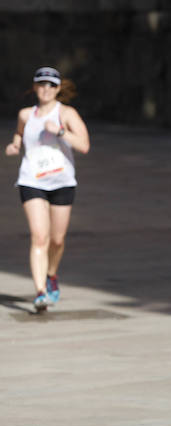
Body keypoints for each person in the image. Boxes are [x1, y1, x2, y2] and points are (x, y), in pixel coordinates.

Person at [5, 67, 90, 311]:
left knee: (57, 239)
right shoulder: (25, 114)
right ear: (35, 87)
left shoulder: (66, 113)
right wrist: (15, 144)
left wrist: (61, 131)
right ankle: (41, 291)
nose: (46, 89)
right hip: (32, 180)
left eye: (51, 85)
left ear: (58, 88)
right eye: (41, 84)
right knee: (39, 236)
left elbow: (84, 145)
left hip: (62, 182)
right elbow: (20, 134)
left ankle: (51, 274)